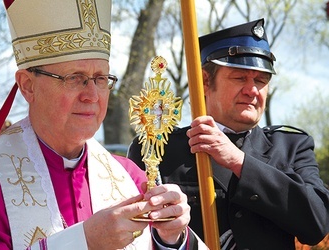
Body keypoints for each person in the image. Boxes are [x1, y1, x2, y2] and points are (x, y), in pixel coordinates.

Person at [0, 0, 206, 249]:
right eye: (75, 78)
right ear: (28, 86)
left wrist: (171, 238)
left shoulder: (132, 179)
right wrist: (83, 242)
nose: (92, 95)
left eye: (100, 78)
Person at [128, 18, 329, 249]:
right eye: (240, 77)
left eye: (261, 80)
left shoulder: (293, 147)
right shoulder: (159, 149)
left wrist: (239, 162)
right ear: (204, 81)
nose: (252, 90)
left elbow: (317, 223)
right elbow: (134, 235)